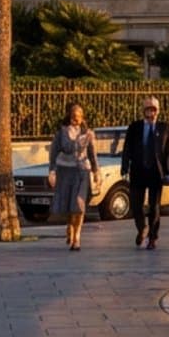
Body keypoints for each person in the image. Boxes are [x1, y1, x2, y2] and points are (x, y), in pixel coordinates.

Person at [120, 97, 169, 251]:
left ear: (158, 111)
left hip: (156, 173)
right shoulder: (135, 127)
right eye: (148, 109)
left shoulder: (165, 128)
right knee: (136, 205)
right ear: (143, 111)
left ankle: (153, 236)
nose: (151, 113)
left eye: (154, 109)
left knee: (154, 206)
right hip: (138, 170)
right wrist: (124, 167)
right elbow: (127, 148)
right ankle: (141, 228)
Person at [49, 103, 99, 252]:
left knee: (79, 205)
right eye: (73, 116)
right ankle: (70, 226)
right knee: (69, 206)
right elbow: (53, 152)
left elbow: (92, 154)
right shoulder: (61, 132)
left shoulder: (88, 134)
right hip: (65, 171)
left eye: (78, 117)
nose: (75, 119)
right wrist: (52, 171)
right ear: (69, 117)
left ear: (82, 118)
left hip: (82, 172)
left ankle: (77, 237)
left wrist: (96, 172)